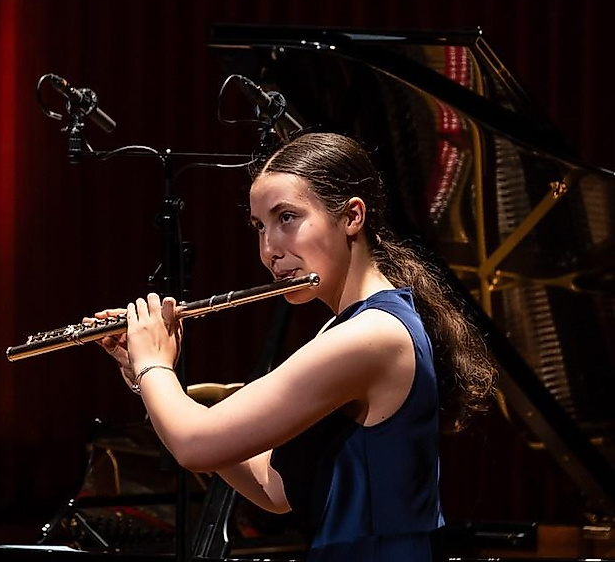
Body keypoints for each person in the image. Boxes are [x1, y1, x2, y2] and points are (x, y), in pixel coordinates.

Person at [99, 132, 496, 561]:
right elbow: (274, 489)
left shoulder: (370, 337)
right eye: (259, 227)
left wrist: (154, 367)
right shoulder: (344, 329)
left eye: (286, 217)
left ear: (352, 217)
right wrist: (149, 375)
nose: (269, 250)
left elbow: (195, 446)